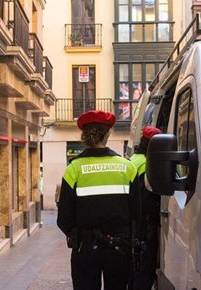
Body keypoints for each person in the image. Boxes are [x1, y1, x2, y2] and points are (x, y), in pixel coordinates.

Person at [57, 110, 138, 290]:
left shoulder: (74, 169)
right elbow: (137, 212)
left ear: (85, 135)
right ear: (108, 133)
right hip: (119, 248)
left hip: (85, 249)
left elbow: (63, 218)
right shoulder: (127, 167)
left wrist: (79, 235)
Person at [130, 126, 162, 290]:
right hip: (144, 227)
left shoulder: (132, 161)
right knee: (144, 272)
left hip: (130, 225)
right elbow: (147, 202)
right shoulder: (148, 165)